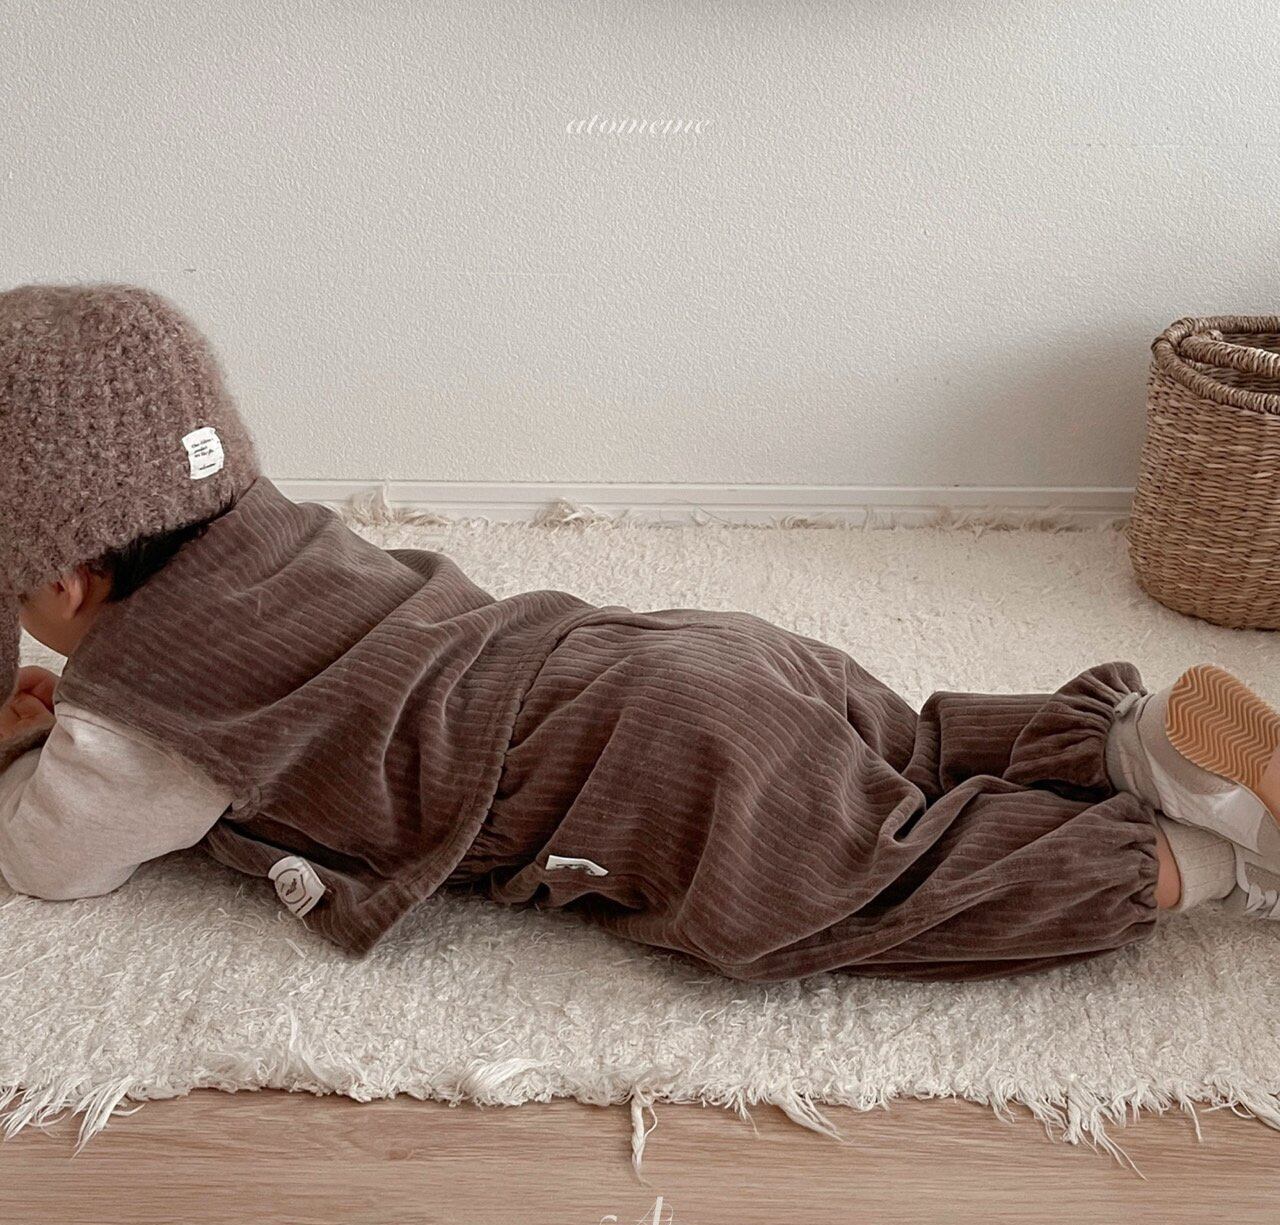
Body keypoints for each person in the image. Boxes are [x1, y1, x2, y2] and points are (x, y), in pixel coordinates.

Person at [1, 284, 1277, 985]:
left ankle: (1197, 861)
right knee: (902, 746)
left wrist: (22, 757)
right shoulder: (278, 526)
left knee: (867, 881)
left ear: (61, 581)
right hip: (649, 656)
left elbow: (54, 860)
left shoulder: (140, 709)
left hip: (636, 769)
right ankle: (1130, 742)